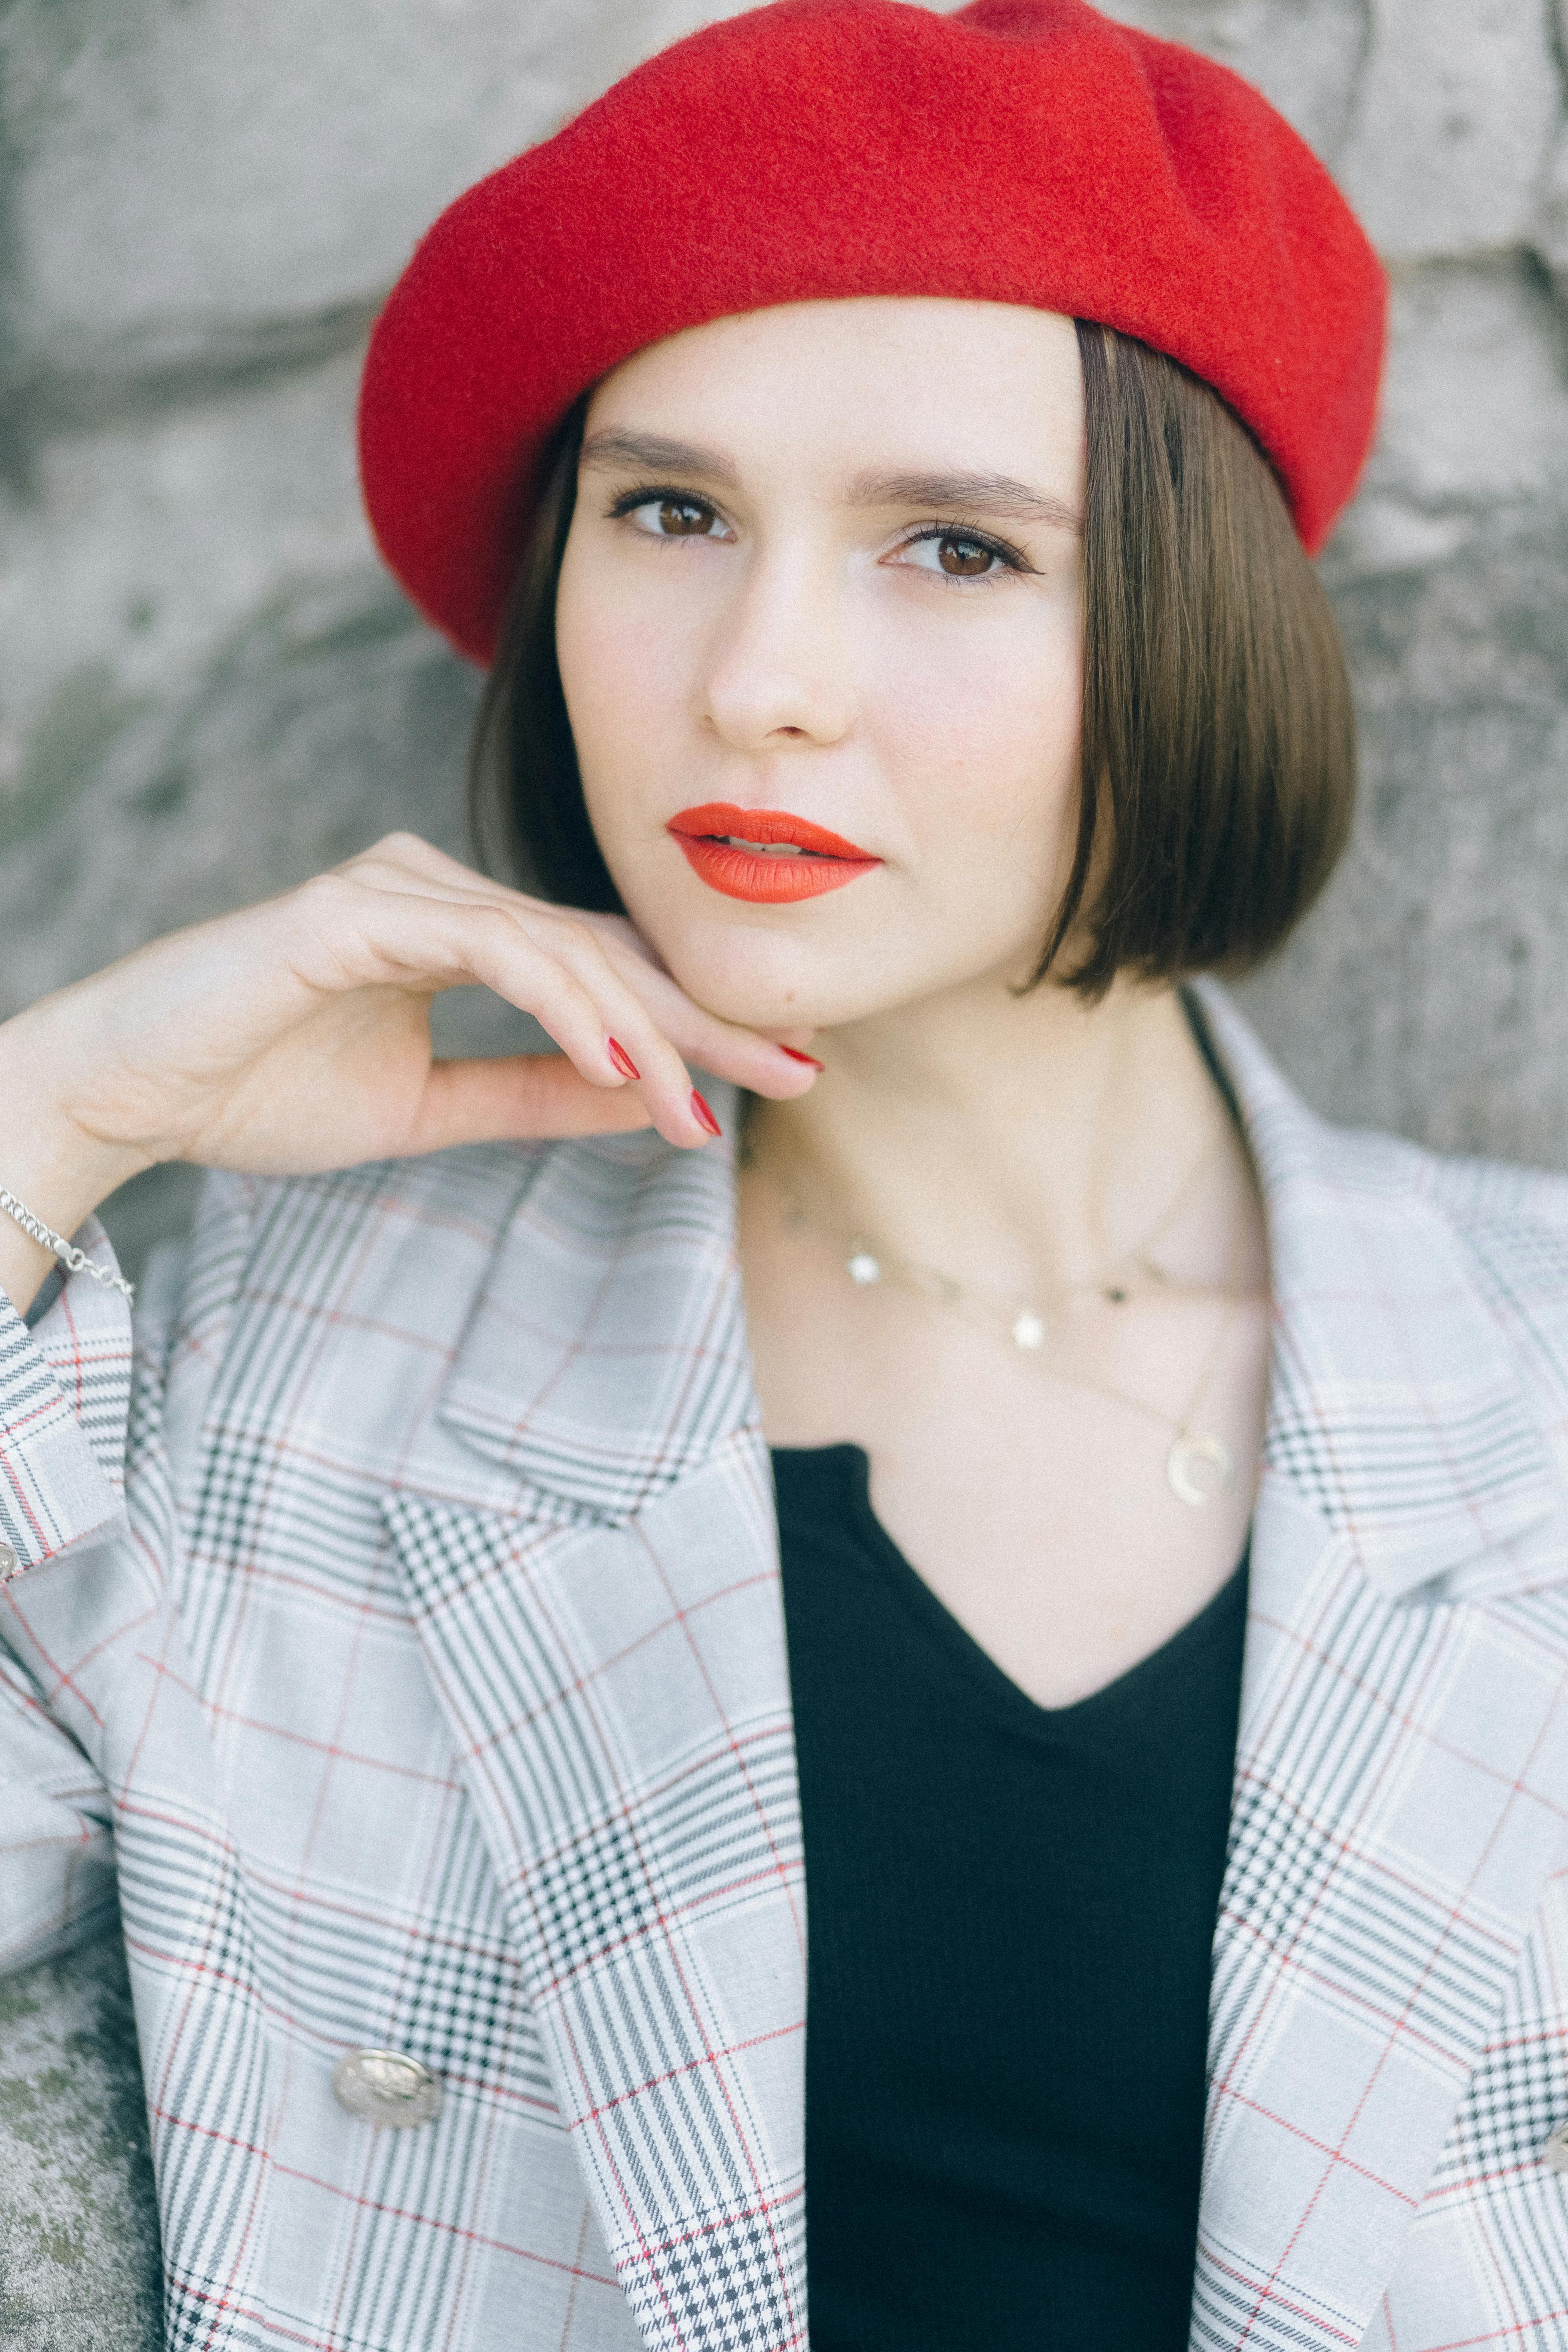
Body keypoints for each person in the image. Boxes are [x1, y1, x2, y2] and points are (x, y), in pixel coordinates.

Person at [1, 2, 1564, 2347]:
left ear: (1192, 622)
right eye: (670, 512)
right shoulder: (282, 1361)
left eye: (951, 544)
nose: (760, 679)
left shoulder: (1533, 1391)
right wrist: (54, 1113)